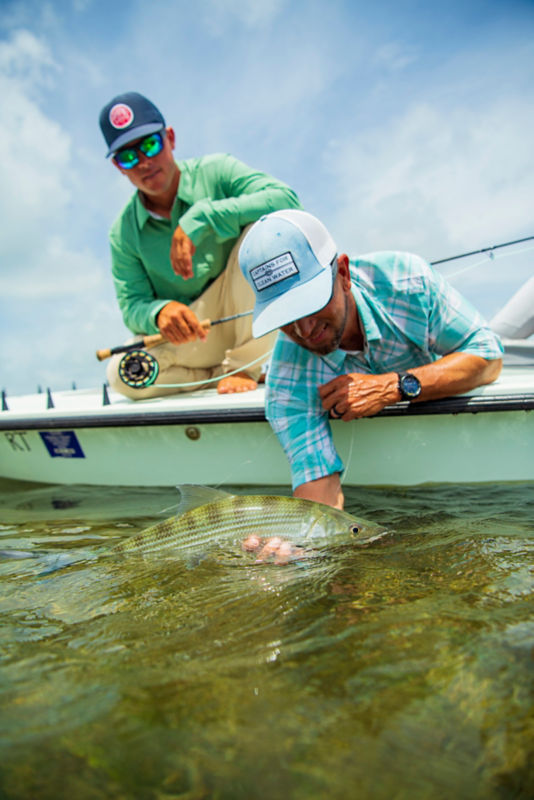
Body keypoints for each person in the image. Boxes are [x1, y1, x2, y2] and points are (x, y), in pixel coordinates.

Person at [239, 209, 504, 510]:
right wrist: (299, 550)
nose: (304, 330)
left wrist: (394, 386)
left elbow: (489, 356)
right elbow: (321, 499)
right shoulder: (287, 383)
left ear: (343, 274)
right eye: (285, 318)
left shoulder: (407, 281)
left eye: (309, 304)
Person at [98, 91, 301, 399]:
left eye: (150, 145)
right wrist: (160, 312)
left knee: (263, 231)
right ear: (118, 167)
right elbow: (132, 305)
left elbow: (287, 200)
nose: (143, 162)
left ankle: (245, 365)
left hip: (246, 320)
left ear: (170, 138)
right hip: (189, 340)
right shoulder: (122, 233)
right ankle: (218, 375)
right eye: (128, 156)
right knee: (122, 374)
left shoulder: (217, 170)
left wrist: (204, 217)